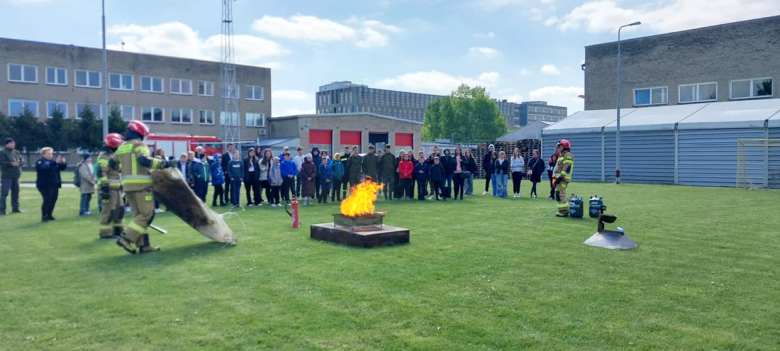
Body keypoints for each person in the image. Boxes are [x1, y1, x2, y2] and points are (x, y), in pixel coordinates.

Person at [111, 121, 175, 254]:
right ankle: (126, 238)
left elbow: (112, 164)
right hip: (141, 186)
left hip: (128, 187)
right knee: (147, 215)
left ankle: (144, 245)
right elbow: (144, 160)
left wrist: (124, 170)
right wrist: (165, 163)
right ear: (140, 133)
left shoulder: (122, 147)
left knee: (138, 217)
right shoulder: (139, 145)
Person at [96, 134, 124, 237]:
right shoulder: (104, 156)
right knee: (109, 211)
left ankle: (118, 230)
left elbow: (119, 169)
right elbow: (101, 172)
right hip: (108, 188)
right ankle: (106, 233)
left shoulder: (114, 155)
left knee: (119, 210)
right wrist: (105, 187)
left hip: (116, 188)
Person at [35, 147, 67, 222]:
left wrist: (63, 162)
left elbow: (61, 168)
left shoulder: (53, 161)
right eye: (48, 154)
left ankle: (49, 215)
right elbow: (45, 167)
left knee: (53, 200)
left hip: (54, 184)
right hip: (44, 185)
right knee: (47, 200)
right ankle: (44, 216)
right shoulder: (40, 161)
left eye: (51, 154)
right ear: (43, 154)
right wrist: (56, 162)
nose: (50, 155)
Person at [0, 138, 25, 215]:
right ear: (6, 144)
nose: (13, 145)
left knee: (15, 192)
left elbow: (22, 160)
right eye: (11, 143)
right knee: (4, 193)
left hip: (16, 175)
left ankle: (15, 208)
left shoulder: (16, 152)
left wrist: (19, 163)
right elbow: (2, 162)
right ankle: (2, 210)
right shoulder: (2, 152)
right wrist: (11, 164)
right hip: (7, 176)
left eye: (13, 143)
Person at [553, 140, 575, 217]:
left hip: (563, 179)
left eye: (560, 146)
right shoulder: (561, 156)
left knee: (560, 194)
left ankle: (563, 212)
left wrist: (560, 177)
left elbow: (567, 168)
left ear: (564, 146)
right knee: (559, 194)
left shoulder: (568, 155)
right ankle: (561, 210)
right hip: (559, 179)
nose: (558, 148)